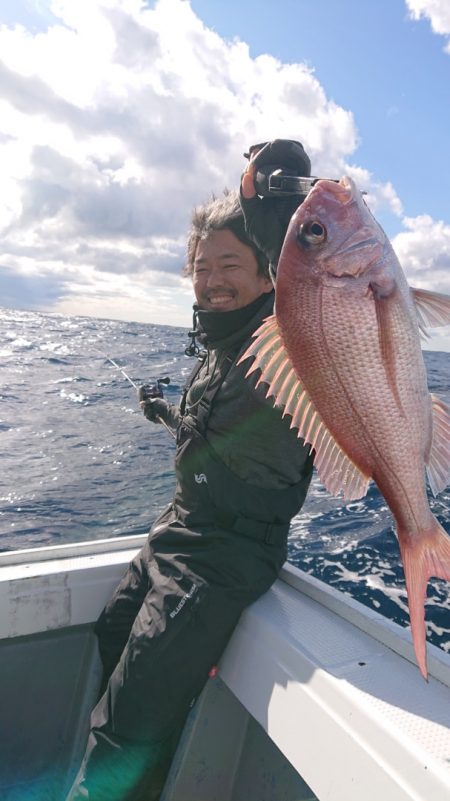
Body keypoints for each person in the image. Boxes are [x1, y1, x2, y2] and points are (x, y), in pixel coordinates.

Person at [66, 145, 314, 801]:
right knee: (111, 632)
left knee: (124, 728)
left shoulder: (287, 341)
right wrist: (167, 415)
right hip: (177, 530)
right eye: (202, 267)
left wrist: (281, 206)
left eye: (230, 265)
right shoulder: (219, 341)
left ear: (268, 273)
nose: (211, 280)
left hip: (221, 557)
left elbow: (309, 282)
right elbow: (219, 438)